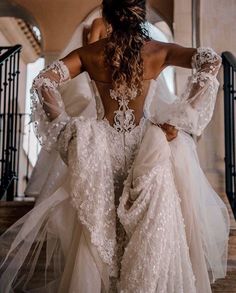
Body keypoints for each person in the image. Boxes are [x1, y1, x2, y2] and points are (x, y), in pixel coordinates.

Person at [0, 0, 230, 292]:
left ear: (107, 16)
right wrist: (179, 119)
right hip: (147, 152)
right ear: (140, 15)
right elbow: (211, 60)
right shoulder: (158, 51)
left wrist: (68, 129)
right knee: (151, 239)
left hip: (100, 154)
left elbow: (44, 81)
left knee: (98, 243)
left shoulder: (90, 53)